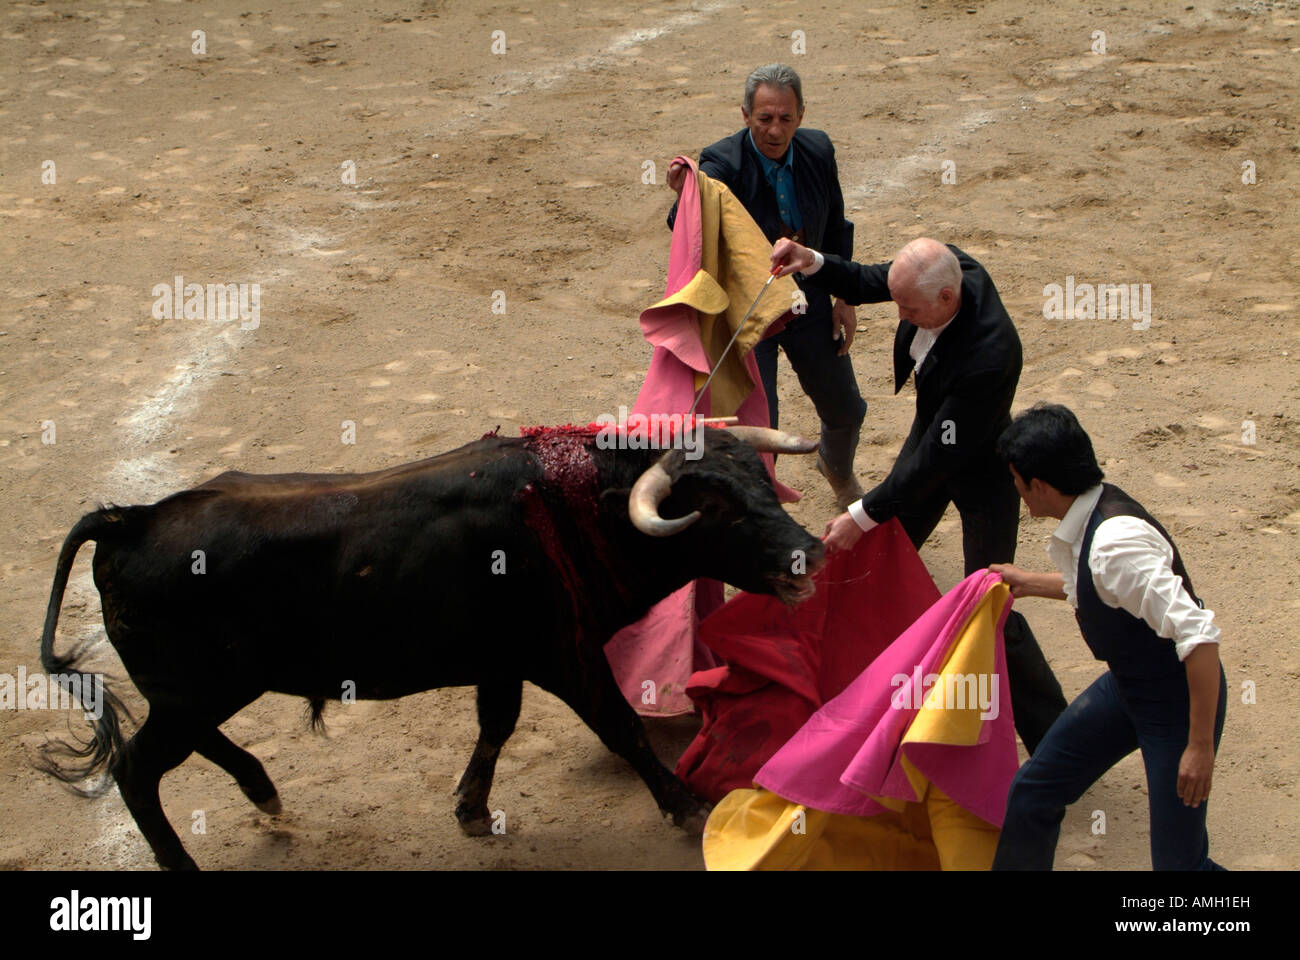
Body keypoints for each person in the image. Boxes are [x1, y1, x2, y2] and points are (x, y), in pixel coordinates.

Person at [769, 235, 1067, 754]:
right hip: (937, 434)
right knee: (879, 551)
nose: (900, 313)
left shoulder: (991, 355)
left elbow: (934, 461)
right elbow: (870, 281)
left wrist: (862, 513)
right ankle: (854, 689)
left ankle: (1059, 738)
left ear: (947, 300)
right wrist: (813, 263)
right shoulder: (942, 270)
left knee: (989, 603)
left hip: (978, 472)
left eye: (909, 308)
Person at [988, 404, 1228, 870]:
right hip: (1129, 687)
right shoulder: (1091, 515)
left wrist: (1199, 747)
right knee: (1035, 791)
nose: (1016, 493)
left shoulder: (1117, 546)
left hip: (1177, 707)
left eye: (1017, 482)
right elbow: (1100, 587)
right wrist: (1031, 582)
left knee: (1181, 867)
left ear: (1038, 485)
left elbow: (1199, 636)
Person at [667, 63, 866, 508]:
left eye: (786, 119)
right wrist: (684, 197)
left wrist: (845, 296)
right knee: (760, 423)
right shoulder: (722, 163)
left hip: (805, 297)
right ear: (745, 115)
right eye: (764, 119)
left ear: (801, 115)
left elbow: (835, 224)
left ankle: (836, 466)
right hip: (750, 310)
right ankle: (761, 513)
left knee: (846, 409)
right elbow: (689, 226)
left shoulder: (817, 150)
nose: (775, 130)